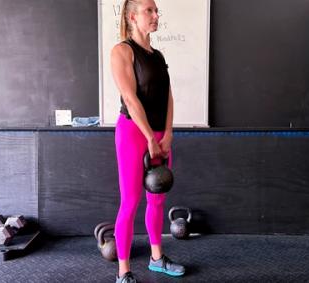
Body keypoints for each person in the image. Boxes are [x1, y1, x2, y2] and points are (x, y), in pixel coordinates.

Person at [110, 0, 185, 282]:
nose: (155, 15)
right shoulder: (122, 51)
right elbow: (130, 98)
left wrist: (168, 133)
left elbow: (168, 97)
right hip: (132, 132)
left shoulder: (157, 55)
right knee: (130, 202)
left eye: (156, 11)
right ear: (132, 17)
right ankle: (124, 272)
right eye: (149, 11)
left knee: (157, 199)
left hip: (158, 135)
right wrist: (148, 137)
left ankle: (156, 259)